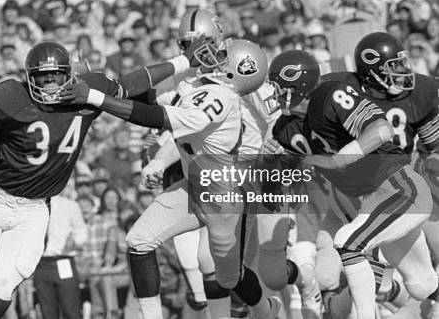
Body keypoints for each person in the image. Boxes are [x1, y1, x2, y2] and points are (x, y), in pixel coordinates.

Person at [0, 40, 201, 319]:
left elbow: (131, 83)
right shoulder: (10, 100)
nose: (49, 83)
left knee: (4, 289)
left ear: (69, 74)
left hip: (35, 209)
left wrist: (183, 61)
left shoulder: (85, 93)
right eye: (42, 76)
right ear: (29, 77)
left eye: (56, 75)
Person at [59, 38, 281, 319]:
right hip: (193, 187)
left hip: (225, 199)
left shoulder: (222, 98)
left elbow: (155, 117)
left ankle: (266, 311)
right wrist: (99, 84)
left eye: (223, 55)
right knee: (138, 241)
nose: (215, 56)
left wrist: (94, 97)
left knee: (228, 275)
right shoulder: (199, 86)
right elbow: (146, 98)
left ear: (233, 72)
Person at [265, 41, 439, 319]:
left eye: (278, 87)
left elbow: (381, 130)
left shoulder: (329, 95)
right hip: (372, 202)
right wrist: (269, 159)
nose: (274, 94)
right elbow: (275, 180)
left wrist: (340, 159)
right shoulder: (285, 129)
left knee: (347, 242)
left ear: (299, 85)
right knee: (422, 285)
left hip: (399, 188)